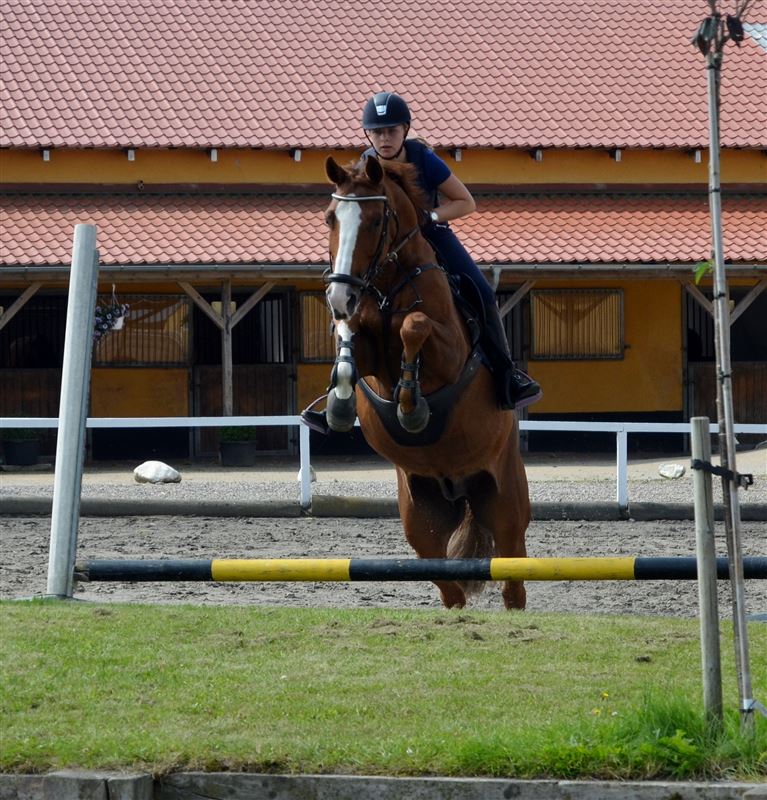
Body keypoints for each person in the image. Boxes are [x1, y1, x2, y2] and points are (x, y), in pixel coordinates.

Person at [302, 91, 541, 434]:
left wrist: (431, 216)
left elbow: (466, 202)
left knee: (482, 291)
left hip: (431, 235)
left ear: (405, 130)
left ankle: (508, 375)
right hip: (385, 244)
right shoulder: (365, 164)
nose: (384, 139)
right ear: (368, 134)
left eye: (391, 131)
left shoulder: (425, 159)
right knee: (350, 302)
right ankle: (337, 391)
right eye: (377, 132)